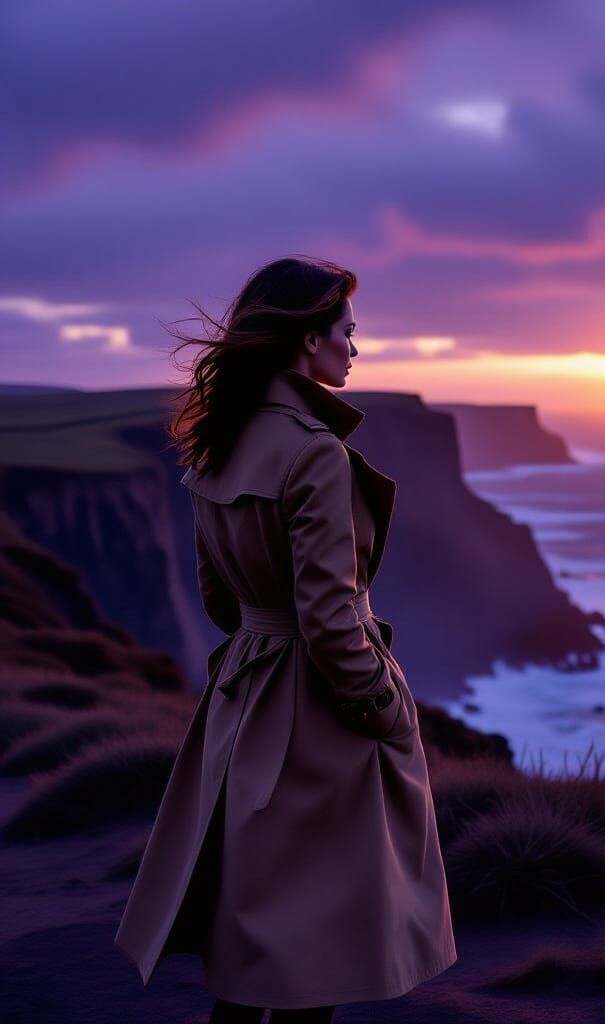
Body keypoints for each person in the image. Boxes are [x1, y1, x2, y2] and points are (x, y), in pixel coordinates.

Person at [113, 256, 458, 1022]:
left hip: (246, 694)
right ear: (308, 340)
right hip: (319, 715)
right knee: (316, 953)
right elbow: (332, 617)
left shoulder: (218, 441)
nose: (354, 349)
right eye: (347, 332)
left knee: (254, 944)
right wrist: (384, 709)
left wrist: (262, 644)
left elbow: (219, 597)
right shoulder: (314, 453)